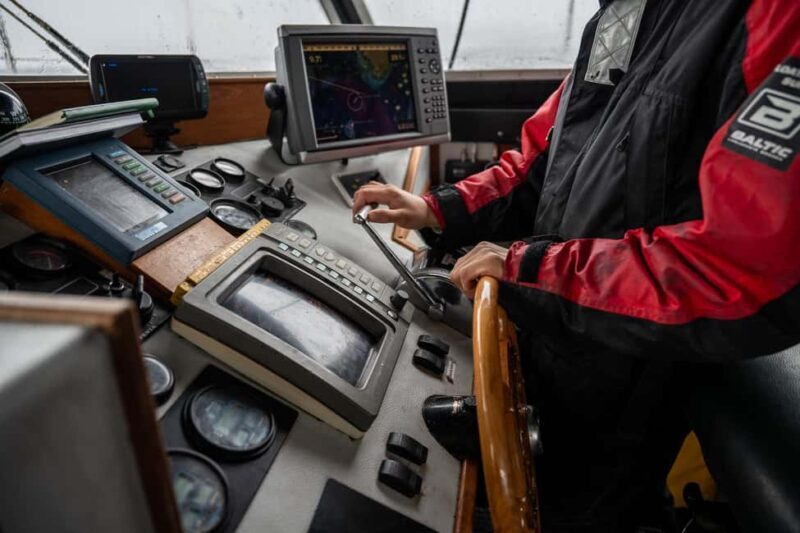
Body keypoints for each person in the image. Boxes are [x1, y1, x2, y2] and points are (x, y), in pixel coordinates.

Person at [354, 1, 800, 531]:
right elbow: (544, 158)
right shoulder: (625, 11)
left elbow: (744, 265)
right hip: (554, 332)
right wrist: (438, 208)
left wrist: (531, 271)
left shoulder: (775, 16)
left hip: (637, 366)